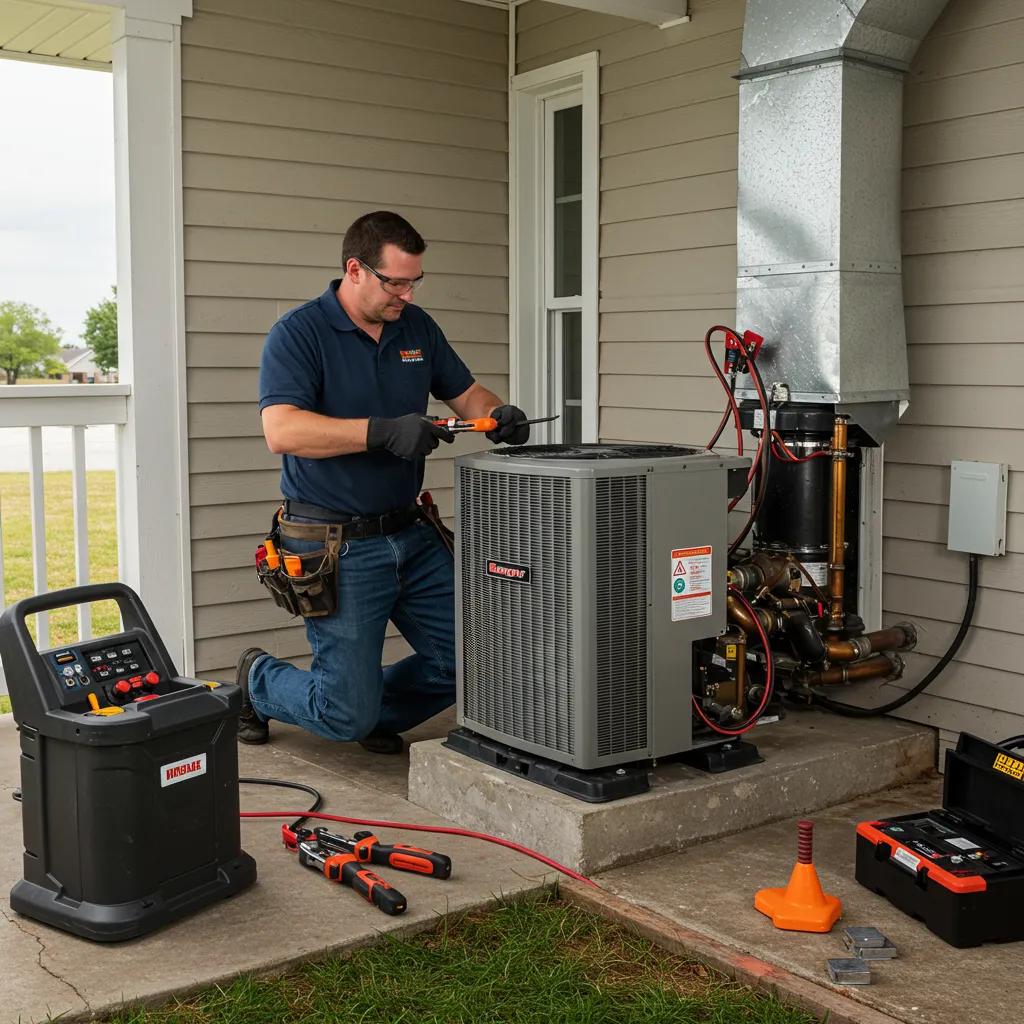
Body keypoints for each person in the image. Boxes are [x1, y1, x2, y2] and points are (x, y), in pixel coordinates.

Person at [236, 211, 529, 753]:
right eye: (395, 282)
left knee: (480, 658)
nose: (407, 295)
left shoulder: (416, 328)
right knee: (345, 716)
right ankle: (259, 681)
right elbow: (282, 429)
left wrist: (500, 414)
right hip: (333, 543)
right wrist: (380, 433)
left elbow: (468, 397)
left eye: (414, 281)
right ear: (355, 269)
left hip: (411, 533)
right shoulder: (300, 333)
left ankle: (365, 710)